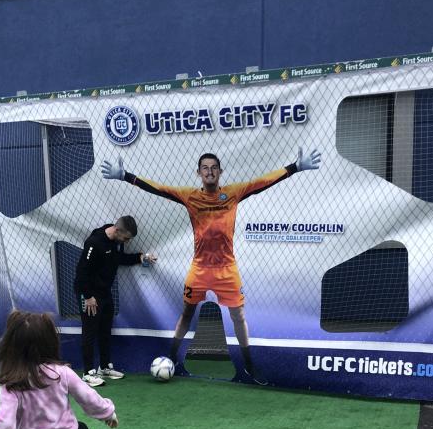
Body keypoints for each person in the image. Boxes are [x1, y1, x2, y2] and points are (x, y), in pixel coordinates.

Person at [101, 149, 321, 384]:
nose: (209, 171)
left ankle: (248, 365)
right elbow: (159, 188)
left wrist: (295, 167)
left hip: (227, 269)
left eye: (214, 167)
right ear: (199, 173)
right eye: (205, 168)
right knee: (187, 313)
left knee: (238, 316)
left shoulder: (233, 193)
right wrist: (125, 175)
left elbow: (262, 183)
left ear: (220, 172)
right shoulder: (190, 196)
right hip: (200, 269)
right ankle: (173, 357)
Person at [73, 215, 156, 387]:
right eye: (126, 238)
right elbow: (81, 272)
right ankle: (88, 373)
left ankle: (104, 367)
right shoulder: (94, 242)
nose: (126, 241)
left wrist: (140, 257)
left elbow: (119, 259)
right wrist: (88, 297)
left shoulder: (116, 241)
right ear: (117, 230)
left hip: (105, 292)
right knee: (90, 331)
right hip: (89, 293)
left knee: (105, 329)